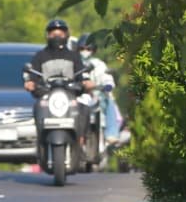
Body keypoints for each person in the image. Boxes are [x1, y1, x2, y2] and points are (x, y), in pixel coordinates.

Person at [23, 18, 95, 154]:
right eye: (53, 33)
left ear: (66, 35)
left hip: (70, 96)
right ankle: (40, 140)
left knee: (84, 108)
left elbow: (82, 74)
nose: (57, 36)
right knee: (37, 106)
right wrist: (30, 83)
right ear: (47, 35)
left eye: (60, 33)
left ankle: (81, 140)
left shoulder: (74, 56)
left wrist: (86, 82)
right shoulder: (40, 56)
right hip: (47, 96)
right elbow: (32, 75)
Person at [76, 34, 122, 145]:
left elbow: (106, 77)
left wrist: (108, 84)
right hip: (76, 97)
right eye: (82, 48)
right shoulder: (73, 62)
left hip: (96, 98)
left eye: (88, 49)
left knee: (109, 98)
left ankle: (111, 134)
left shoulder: (98, 64)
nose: (85, 51)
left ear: (94, 50)